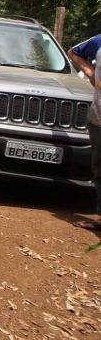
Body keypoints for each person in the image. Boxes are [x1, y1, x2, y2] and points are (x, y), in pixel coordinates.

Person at [68, 33, 101, 231]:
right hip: (98, 119)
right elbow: (74, 52)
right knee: (99, 169)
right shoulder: (98, 42)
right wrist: (91, 72)